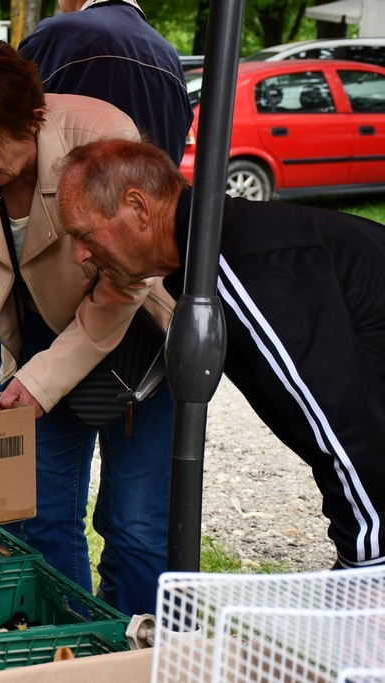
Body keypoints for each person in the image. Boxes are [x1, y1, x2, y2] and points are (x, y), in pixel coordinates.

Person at [0, 40, 175, 617]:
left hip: (138, 345)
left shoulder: (101, 135)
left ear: (32, 120)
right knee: (35, 515)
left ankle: (140, 649)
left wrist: (43, 380)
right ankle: (68, 642)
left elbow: (128, 280)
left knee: (135, 525)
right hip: (33, 344)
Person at [57, 138, 385, 573]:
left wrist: (363, 565)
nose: (79, 254)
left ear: (138, 208)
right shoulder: (212, 253)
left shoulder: (243, 266)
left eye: (83, 234)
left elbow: (343, 432)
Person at [17, 0, 191, 614]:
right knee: (141, 519)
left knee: (43, 505)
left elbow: (19, 160)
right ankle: (139, 644)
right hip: (152, 306)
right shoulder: (168, 57)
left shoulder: (55, 37)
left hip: (60, 309)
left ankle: (71, 637)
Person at [18, 0, 194, 165]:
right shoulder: (169, 56)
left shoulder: (60, 34)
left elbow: (8, 114)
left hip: (76, 184)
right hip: (151, 186)